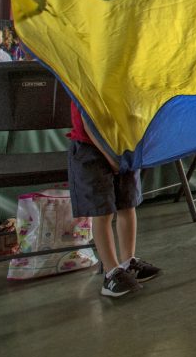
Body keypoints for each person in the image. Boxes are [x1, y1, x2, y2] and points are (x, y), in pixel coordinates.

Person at [67, 102, 161, 298]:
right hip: (91, 149)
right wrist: (111, 158)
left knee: (128, 205)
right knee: (103, 212)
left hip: (123, 144)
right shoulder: (84, 79)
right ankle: (112, 271)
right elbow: (88, 122)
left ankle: (128, 262)